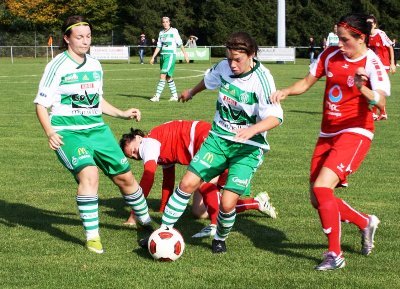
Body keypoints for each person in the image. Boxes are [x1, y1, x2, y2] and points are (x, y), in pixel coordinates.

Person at [270, 13, 390, 270]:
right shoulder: (330, 55)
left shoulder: (372, 62)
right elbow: (306, 82)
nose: (340, 43)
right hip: (327, 132)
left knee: (323, 188)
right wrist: (286, 92)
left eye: (345, 39)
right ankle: (364, 222)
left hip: (356, 131)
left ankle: (334, 255)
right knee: (317, 197)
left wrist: (362, 87)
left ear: (360, 38)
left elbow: (379, 101)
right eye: (338, 37)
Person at [146, 32, 283, 254]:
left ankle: (219, 237)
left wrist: (252, 130)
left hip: (248, 148)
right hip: (218, 139)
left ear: (252, 55)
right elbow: (209, 80)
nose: (232, 64)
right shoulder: (223, 67)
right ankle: (163, 231)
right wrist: (191, 92)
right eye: (229, 58)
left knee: (228, 203)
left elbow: (275, 117)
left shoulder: (263, 79)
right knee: (187, 183)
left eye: (238, 59)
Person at [34, 15, 153, 254]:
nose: (85, 41)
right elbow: (40, 104)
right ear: (67, 38)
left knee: (125, 179)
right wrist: (49, 132)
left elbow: (96, 101)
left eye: (88, 36)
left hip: (98, 130)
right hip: (69, 133)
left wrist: (121, 113)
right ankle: (93, 237)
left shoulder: (95, 65)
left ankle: (146, 223)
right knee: (90, 175)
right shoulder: (57, 65)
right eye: (79, 37)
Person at [119, 120, 277, 237]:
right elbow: (168, 179)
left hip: (204, 139)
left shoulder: (147, 144)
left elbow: (148, 177)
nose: (136, 155)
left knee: (205, 183)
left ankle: (215, 227)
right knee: (199, 212)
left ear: (139, 138)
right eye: (132, 157)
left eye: (133, 150)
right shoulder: (156, 144)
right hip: (203, 138)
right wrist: (163, 209)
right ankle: (257, 202)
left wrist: (134, 214)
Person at [149, 16, 189, 102]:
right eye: (163, 22)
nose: (165, 23)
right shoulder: (161, 33)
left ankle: (157, 96)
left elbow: (180, 43)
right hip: (163, 56)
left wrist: (185, 55)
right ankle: (175, 96)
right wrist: (153, 57)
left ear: (169, 22)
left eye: (167, 22)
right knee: (168, 77)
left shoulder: (174, 31)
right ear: (162, 23)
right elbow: (159, 46)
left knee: (162, 75)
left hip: (170, 55)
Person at [367, 15, 395, 121]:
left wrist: (392, 63)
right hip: (372, 65)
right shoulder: (366, 35)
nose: (368, 25)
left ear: (374, 24)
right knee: (375, 89)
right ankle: (383, 112)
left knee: (377, 89)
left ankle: (374, 112)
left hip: (383, 64)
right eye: (367, 23)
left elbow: (390, 47)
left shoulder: (381, 34)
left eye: (370, 23)